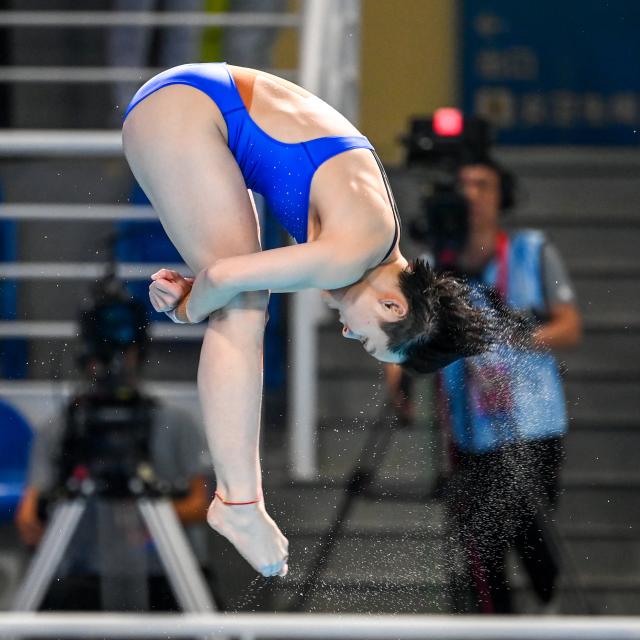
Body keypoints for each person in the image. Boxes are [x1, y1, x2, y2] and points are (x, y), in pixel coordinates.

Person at [121, 63, 498, 578]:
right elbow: (227, 277)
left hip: (194, 105)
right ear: (394, 307)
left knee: (240, 300)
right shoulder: (350, 254)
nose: (347, 332)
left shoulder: (374, 237)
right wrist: (191, 306)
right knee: (243, 307)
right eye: (366, 341)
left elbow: (226, 277)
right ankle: (237, 503)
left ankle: (239, 502)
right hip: (186, 109)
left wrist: (202, 293)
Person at [388, 156, 582, 613]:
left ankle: (548, 613)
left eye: (484, 186)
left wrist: (514, 336)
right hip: (469, 429)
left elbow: (570, 327)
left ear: (503, 197)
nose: (472, 195)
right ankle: (497, 625)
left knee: (527, 528)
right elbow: (402, 334)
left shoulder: (534, 252)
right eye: (464, 186)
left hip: (532, 423)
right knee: (480, 544)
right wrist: (398, 378)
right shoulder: (433, 267)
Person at [14, 336, 214, 611]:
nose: (112, 365)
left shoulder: (176, 423)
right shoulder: (62, 429)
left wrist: (143, 518)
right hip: (82, 574)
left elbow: (204, 506)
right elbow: (28, 519)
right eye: (104, 353)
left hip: (167, 573)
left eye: (121, 351)